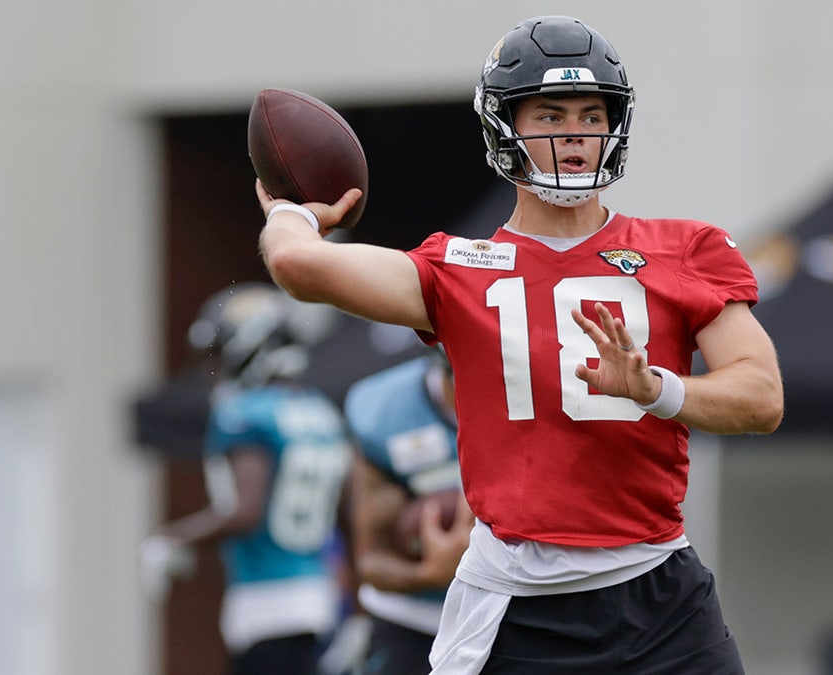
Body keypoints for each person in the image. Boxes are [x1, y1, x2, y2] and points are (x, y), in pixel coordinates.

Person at [256, 15, 784, 674]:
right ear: (504, 125)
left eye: (593, 115)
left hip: (659, 593)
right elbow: (299, 268)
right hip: (516, 602)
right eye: (551, 114)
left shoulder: (684, 249)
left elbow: (761, 396)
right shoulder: (457, 268)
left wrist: (656, 388)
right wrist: (291, 210)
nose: (576, 136)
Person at [140, 282, 356, 675]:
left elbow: (244, 511)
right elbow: (348, 510)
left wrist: (173, 538)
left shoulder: (245, 412)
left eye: (222, 352)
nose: (218, 366)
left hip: (267, 602)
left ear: (250, 346)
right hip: (318, 595)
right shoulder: (320, 411)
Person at [343, 345, 473, 675]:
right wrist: (431, 574)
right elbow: (371, 560)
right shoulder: (387, 411)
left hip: (516, 608)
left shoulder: (546, 399)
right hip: (415, 618)